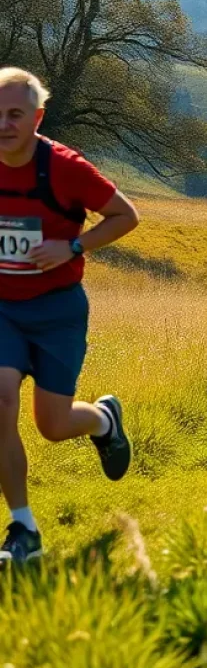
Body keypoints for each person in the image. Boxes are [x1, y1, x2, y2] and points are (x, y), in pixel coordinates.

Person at [0, 68, 138, 565]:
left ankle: (103, 420)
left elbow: (126, 215)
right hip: (2, 311)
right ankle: (24, 527)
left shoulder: (64, 167)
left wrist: (73, 245)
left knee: (53, 425)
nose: (3, 124)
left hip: (58, 311)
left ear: (37, 117)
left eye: (14, 114)